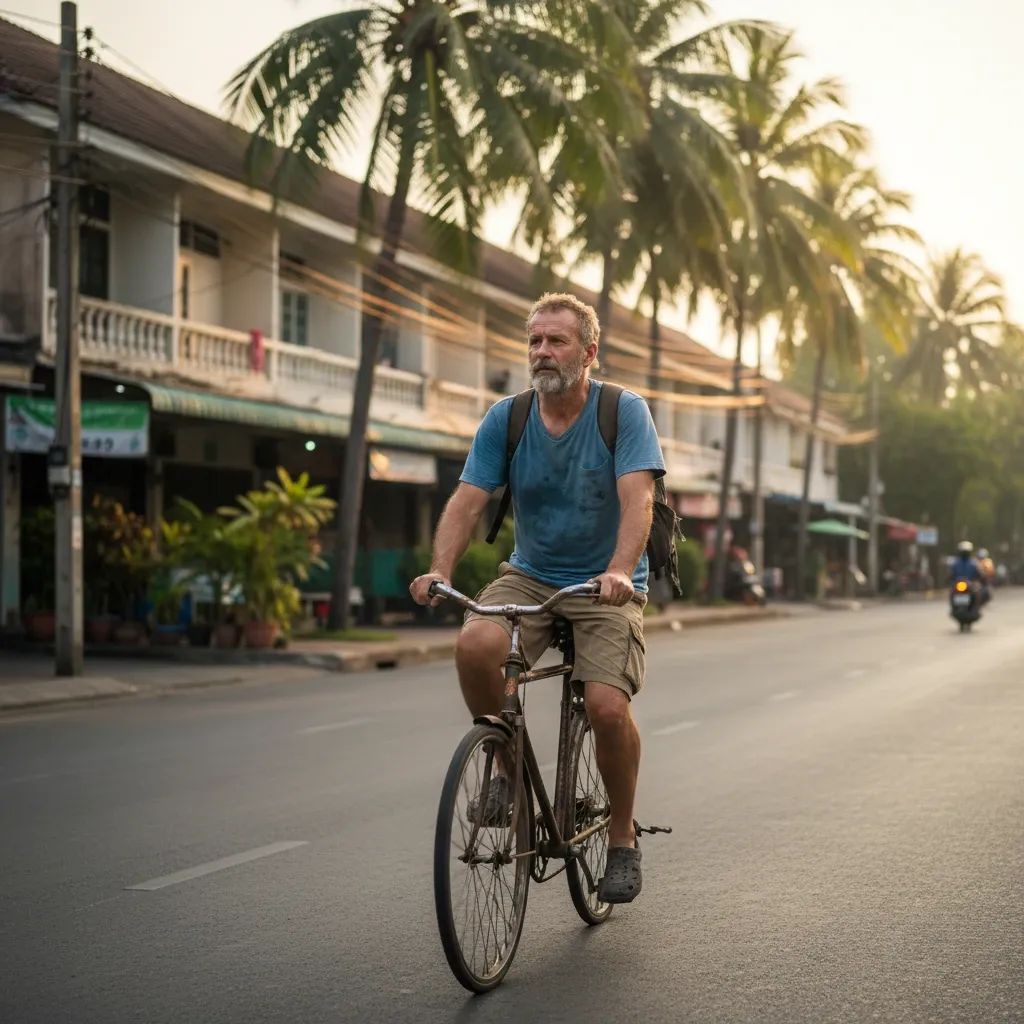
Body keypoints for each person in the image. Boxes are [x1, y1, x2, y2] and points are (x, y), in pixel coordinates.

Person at [410, 292, 665, 904]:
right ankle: (505, 772)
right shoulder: (509, 418)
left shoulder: (621, 411)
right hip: (533, 573)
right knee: (475, 644)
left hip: (606, 580)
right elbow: (469, 499)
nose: (542, 352)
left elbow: (639, 499)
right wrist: (438, 571)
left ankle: (624, 839)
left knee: (605, 708)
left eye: (557, 341)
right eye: (535, 341)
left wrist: (621, 571)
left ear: (589, 352)